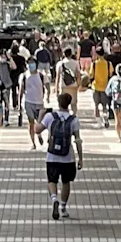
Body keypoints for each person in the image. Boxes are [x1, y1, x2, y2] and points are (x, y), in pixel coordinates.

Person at [42, 92, 84, 221]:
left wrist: (40, 116)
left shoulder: (50, 117)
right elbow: (77, 140)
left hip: (52, 156)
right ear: (69, 104)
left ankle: (54, 199)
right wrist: (80, 158)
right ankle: (63, 207)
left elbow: (37, 129)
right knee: (66, 182)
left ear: (59, 103)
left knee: (52, 180)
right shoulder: (74, 120)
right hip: (68, 157)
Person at [19, 58, 47, 148]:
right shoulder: (24, 76)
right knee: (31, 122)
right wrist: (19, 103)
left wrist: (48, 94)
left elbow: (46, 85)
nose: (31, 65)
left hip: (39, 102)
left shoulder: (41, 75)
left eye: (33, 63)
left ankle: (38, 134)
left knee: (40, 123)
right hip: (28, 102)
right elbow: (21, 90)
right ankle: (33, 143)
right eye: (29, 63)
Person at [89, 47, 113, 128]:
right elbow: (110, 74)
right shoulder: (109, 64)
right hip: (105, 87)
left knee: (96, 105)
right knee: (104, 106)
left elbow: (91, 75)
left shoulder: (94, 64)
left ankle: (99, 122)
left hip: (96, 87)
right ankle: (106, 119)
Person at [55, 47, 82, 114]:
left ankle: (64, 117)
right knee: (73, 104)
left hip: (63, 86)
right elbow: (78, 75)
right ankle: (73, 117)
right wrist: (78, 85)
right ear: (71, 54)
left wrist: (56, 88)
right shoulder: (76, 63)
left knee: (63, 104)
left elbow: (58, 77)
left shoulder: (60, 64)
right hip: (73, 86)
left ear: (64, 54)